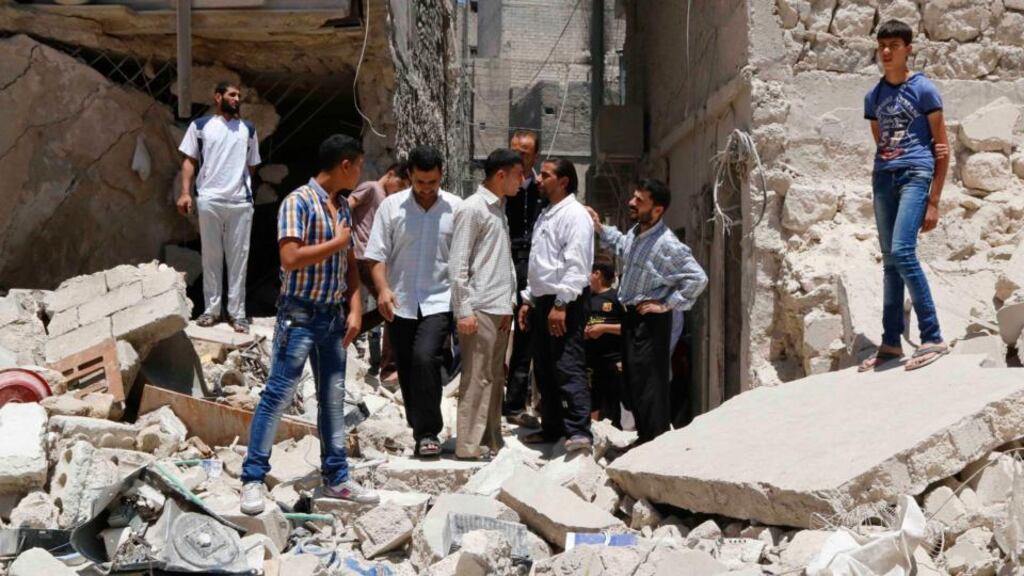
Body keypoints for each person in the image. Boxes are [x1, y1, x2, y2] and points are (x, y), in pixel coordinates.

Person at [239, 134, 377, 515]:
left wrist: (354, 308)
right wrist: (337, 242)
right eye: (359, 164)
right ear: (345, 165)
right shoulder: (297, 202)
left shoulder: (343, 207)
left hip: (332, 318)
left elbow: (349, 264)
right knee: (279, 394)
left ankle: (338, 477)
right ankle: (252, 478)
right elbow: (291, 258)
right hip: (299, 317)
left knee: (333, 398)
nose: (361, 172)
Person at [858, 19, 950, 373]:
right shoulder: (873, 97)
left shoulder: (924, 90)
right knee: (889, 262)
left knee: (902, 251)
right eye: (882, 45)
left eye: (894, 45)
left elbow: (942, 147)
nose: (886, 52)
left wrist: (934, 200)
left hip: (916, 174)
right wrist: (887, 169)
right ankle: (891, 342)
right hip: (884, 177)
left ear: (908, 49)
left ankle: (932, 336)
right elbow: (881, 140)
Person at [588, 178, 708, 444]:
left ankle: (653, 442)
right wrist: (599, 228)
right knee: (633, 382)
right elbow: (622, 245)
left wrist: (666, 304)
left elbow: (698, 278)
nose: (631, 203)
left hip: (650, 323)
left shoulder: (668, 244)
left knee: (648, 385)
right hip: (631, 318)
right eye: (633, 197)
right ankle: (645, 437)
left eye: (639, 201)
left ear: (657, 210)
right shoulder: (636, 233)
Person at [364, 145, 462, 457]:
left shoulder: (456, 208)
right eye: (420, 182)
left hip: (439, 299)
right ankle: (419, 430)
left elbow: (462, 258)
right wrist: (382, 289)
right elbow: (376, 254)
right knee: (406, 367)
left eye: (432, 183)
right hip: (401, 300)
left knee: (425, 358)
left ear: (441, 176)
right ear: (410, 176)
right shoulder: (391, 207)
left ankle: (429, 430)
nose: (426, 189)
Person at [449, 149, 523, 460]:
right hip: (479, 309)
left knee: (494, 378)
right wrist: (464, 310)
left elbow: (500, 261)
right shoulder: (472, 209)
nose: (522, 182)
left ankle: (491, 441)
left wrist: (509, 302)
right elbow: (458, 264)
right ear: (501, 175)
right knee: (476, 378)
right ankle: (468, 446)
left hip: (499, 309)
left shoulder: (499, 209)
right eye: (518, 175)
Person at [517, 157, 594, 452]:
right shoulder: (547, 213)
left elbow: (576, 265)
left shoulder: (574, 215)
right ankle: (552, 427)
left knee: (567, 362)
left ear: (563, 181)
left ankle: (579, 430)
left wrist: (561, 304)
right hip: (542, 300)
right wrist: (529, 300)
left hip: (566, 299)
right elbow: (541, 263)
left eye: (546, 175)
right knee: (545, 367)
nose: (538, 179)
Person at [177, 81, 261, 334]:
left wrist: (240, 181)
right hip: (209, 199)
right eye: (232, 94)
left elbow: (252, 163)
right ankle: (211, 311)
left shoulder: (248, 128)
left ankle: (238, 314)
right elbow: (190, 160)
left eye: (239, 95)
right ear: (218, 97)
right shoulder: (200, 126)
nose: (237, 99)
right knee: (211, 257)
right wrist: (185, 193)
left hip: (239, 202)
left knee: (239, 259)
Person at [348, 162, 410, 378]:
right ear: (391, 174)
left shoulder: (387, 200)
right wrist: (345, 238)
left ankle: (351, 331)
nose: (401, 190)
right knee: (391, 307)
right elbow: (348, 206)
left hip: (373, 258)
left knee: (388, 307)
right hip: (362, 255)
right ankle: (389, 367)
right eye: (400, 184)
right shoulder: (372, 187)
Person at [503, 130, 545, 421]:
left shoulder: (543, 189)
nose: (520, 155)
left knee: (528, 335)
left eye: (525, 151)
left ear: (535, 156)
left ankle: (517, 404)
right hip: (504, 262)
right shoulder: (500, 187)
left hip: (534, 264)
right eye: (515, 150)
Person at [584, 255, 626, 428]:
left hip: (612, 359)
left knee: (612, 402)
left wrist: (603, 328)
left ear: (598, 274)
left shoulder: (616, 298)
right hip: (590, 360)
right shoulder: (586, 299)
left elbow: (628, 329)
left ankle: (613, 436)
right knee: (592, 398)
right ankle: (592, 433)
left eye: (590, 273)